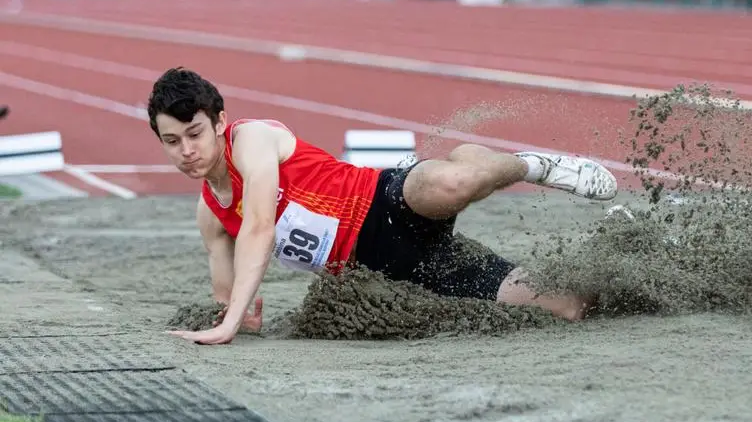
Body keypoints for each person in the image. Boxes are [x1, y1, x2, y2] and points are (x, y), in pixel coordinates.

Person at [149, 68, 618, 345]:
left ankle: (532, 166)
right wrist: (238, 315)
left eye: (195, 134)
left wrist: (229, 324)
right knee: (569, 306)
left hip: (384, 202)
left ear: (219, 123)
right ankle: (636, 276)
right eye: (172, 141)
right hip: (389, 271)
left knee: (456, 182)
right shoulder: (210, 215)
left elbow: (258, 229)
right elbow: (227, 296)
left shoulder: (250, 140)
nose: (187, 151)